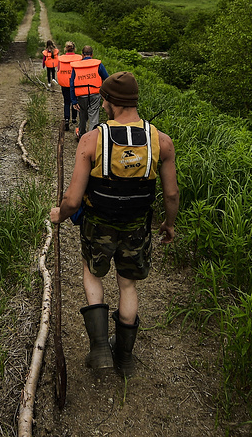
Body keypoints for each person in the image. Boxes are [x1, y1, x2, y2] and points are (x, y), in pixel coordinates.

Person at [50, 72, 179, 378]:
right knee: (128, 284)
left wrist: (61, 215)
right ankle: (124, 355)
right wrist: (169, 224)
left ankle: (98, 349)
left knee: (93, 275)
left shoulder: (92, 139)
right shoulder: (162, 141)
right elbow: (172, 193)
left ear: (107, 102)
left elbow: (72, 198)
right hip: (137, 226)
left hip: (99, 224)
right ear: (134, 101)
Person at [69, 45, 109, 140]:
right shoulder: (98, 64)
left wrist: (74, 101)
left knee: (82, 115)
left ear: (82, 55)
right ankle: (92, 139)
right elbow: (107, 79)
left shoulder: (76, 66)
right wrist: (105, 95)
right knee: (94, 117)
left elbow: (72, 84)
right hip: (95, 94)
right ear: (92, 54)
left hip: (81, 95)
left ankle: (82, 135)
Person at [56, 41, 82, 127]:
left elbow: (58, 69)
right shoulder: (78, 58)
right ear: (74, 49)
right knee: (75, 100)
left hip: (65, 83)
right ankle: (74, 118)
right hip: (75, 83)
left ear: (65, 49)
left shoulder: (61, 59)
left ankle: (66, 119)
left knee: (66, 101)